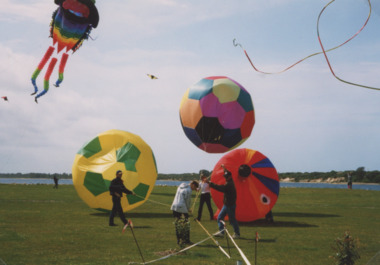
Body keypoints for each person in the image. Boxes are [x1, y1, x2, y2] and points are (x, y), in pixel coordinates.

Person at [207, 164, 240, 239]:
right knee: (220, 217)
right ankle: (221, 232)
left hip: (230, 205)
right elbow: (227, 172)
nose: (225, 178)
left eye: (226, 177)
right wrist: (224, 168)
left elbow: (219, 188)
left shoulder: (229, 184)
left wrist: (209, 183)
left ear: (229, 177)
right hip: (227, 205)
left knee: (232, 220)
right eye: (225, 177)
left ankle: (237, 233)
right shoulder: (230, 180)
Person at [171, 180, 199, 246]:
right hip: (181, 207)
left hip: (175, 207)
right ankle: (186, 240)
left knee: (178, 224)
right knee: (186, 224)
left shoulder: (180, 186)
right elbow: (187, 201)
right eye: (194, 188)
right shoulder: (188, 190)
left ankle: (179, 240)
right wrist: (188, 208)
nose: (193, 189)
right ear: (193, 185)